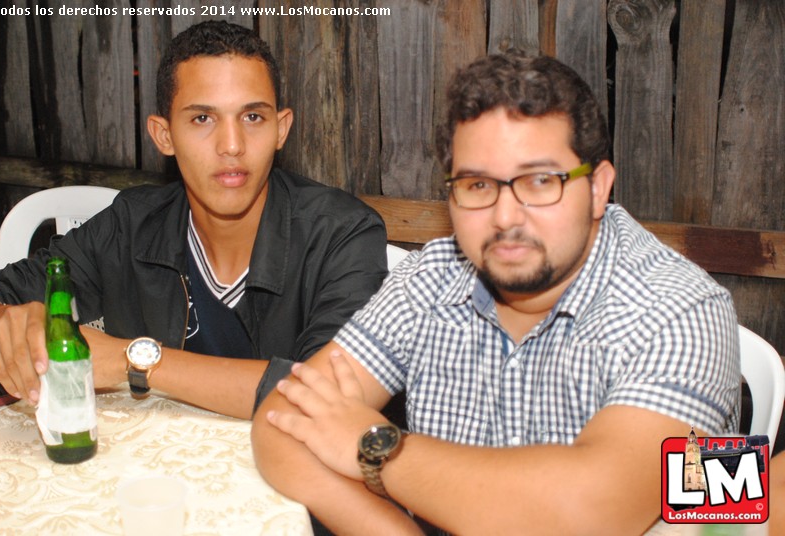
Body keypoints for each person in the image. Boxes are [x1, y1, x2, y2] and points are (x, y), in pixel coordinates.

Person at [252, 50, 741, 534]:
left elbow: (588, 511)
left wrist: (375, 446)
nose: (506, 216)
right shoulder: (432, 279)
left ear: (598, 188)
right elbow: (280, 419)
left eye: (540, 180)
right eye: (478, 185)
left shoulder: (681, 309)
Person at [0, 21, 387, 419]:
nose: (232, 146)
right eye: (202, 119)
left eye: (252, 118)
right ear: (164, 136)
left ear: (281, 129)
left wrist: (137, 362)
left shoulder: (343, 233)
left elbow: (329, 398)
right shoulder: (131, 224)